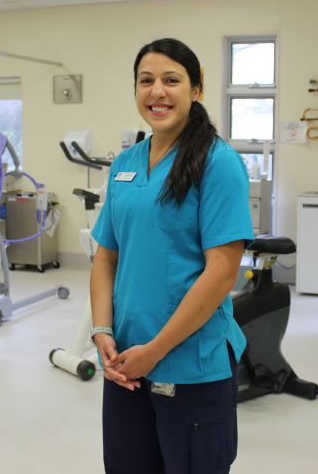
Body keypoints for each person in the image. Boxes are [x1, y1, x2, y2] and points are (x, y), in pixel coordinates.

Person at [89, 37, 254, 474]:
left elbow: (221, 273)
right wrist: (102, 330)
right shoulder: (125, 163)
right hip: (125, 366)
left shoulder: (218, 164)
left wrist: (155, 350)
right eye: (146, 81)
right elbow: (105, 257)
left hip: (190, 367)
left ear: (196, 89)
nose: (156, 91)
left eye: (171, 80)